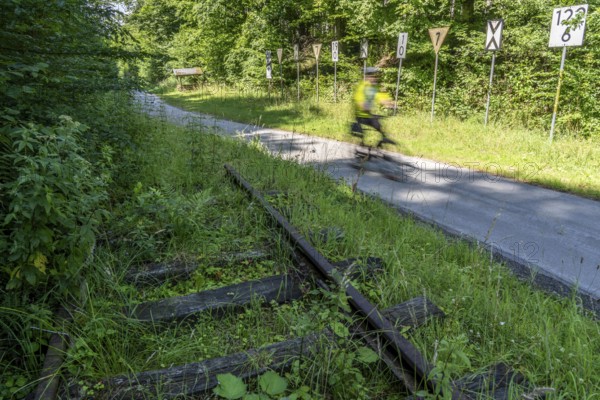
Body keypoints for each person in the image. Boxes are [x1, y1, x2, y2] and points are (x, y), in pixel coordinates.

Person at [351, 67, 396, 149]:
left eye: (375, 76)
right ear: (367, 77)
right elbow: (359, 101)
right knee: (375, 123)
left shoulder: (374, 87)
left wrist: (390, 104)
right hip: (361, 115)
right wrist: (365, 107)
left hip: (368, 114)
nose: (375, 78)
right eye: (373, 76)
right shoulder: (361, 87)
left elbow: (380, 97)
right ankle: (363, 143)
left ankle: (381, 142)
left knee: (378, 125)